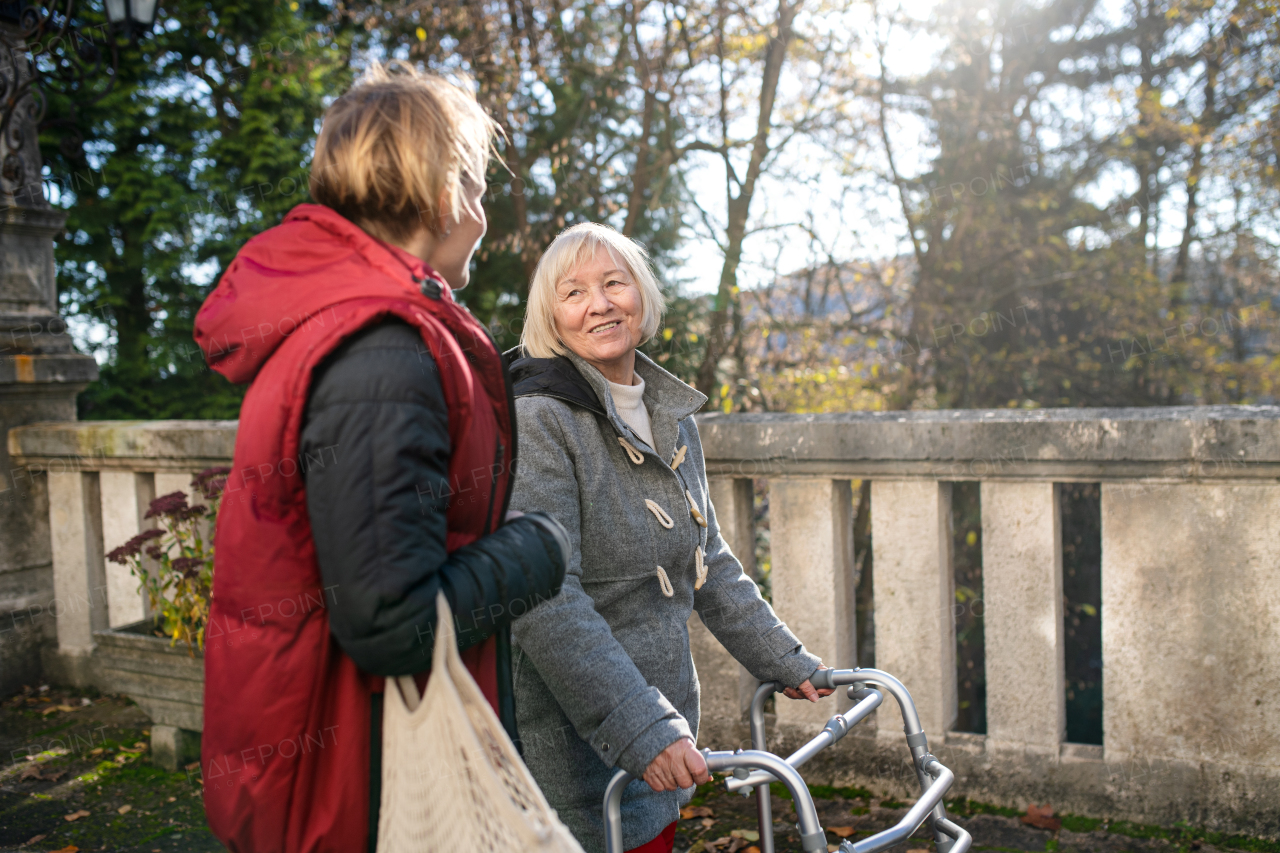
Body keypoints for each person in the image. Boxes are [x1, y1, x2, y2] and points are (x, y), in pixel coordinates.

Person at [193, 62, 569, 853]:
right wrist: (540, 549)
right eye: (476, 188)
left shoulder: (347, 321)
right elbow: (391, 621)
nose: (481, 215)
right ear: (442, 196)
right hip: (354, 781)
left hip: (336, 758)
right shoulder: (383, 351)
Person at [507, 222, 834, 853]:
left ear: (643, 295)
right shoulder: (540, 419)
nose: (599, 303)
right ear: (550, 315)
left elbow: (705, 559)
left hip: (662, 733)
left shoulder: (665, 412)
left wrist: (785, 661)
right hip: (586, 745)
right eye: (573, 292)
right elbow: (543, 594)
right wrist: (641, 729)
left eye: (614, 283)